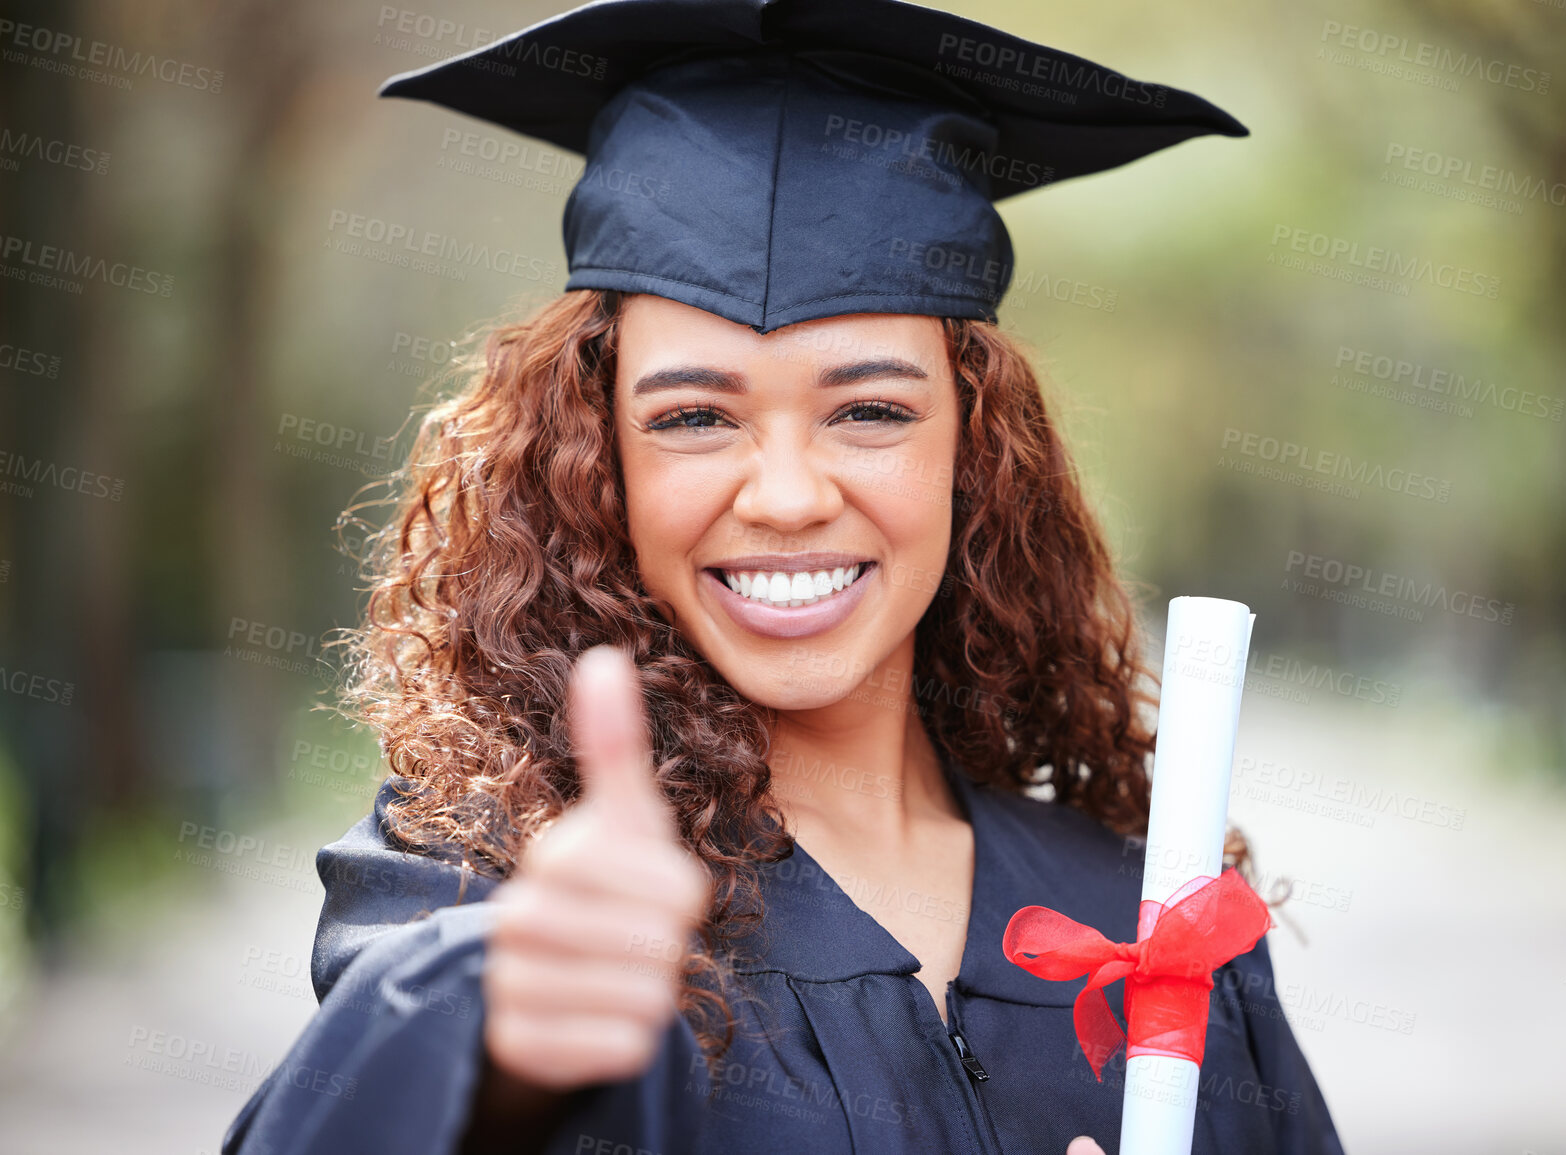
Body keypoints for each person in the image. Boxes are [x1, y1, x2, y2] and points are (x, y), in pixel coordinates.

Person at [223, 1, 1345, 1152]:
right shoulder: (487, 892)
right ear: (598, 464)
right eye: (695, 417)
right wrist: (501, 1046)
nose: (789, 494)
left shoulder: (1148, 921)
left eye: (870, 410)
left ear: (977, 451)